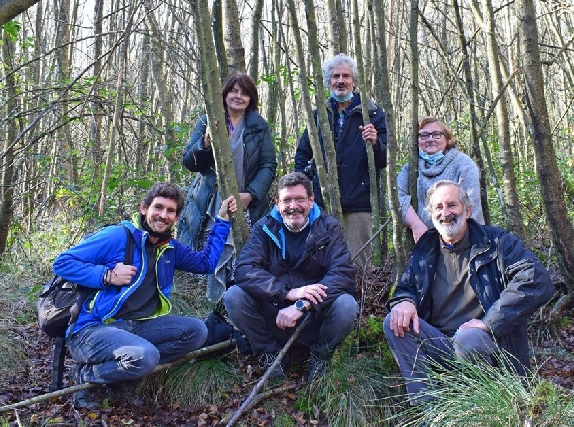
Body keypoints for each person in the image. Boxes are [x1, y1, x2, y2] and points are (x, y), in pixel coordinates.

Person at [52, 182, 237, 409]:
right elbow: (62, 263)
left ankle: (124, 373)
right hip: (91, 329)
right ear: (143, 208)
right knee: (146, 356)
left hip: (135, 327)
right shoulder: (118, 236)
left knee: (197, 332)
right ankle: (87, 374)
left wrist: (222, 220)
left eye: (170, 211)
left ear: (176, 217)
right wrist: (107, 275)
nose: (163, 215)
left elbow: (206, 263)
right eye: (158, 208)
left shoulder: (169, 248)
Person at [383, 180, 554, 404]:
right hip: (440, 344)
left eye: (452, 205)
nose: (445, 213)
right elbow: (408, 286)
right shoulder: (427, 245)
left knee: (469, 339)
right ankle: (428, 408)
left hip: (486, 346)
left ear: (468, 210)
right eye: (438, 207)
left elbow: (537, 280)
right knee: (394, 322)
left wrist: (488, 323)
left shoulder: (496, 242)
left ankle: (480, 406)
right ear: (431, 214)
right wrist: (404, 301)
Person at [223, 172, 359, 382]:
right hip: (275, 315)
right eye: (286, 200)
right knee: (234, 296)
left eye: (300, 199)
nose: (293, 206)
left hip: (314, 316)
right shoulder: (265, 227)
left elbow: (343, 274)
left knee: (346, 305)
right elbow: (244, 269)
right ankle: (270, 354)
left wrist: (301, 304)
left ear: (311, 200)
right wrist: (287, 293)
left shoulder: (328, 227)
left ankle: (320, 356)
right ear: (277, 203)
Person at [179, 70, 277, 301]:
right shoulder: (207, 120)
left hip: (245, 204)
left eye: (244, 93)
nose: (238, 97)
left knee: (240, 258)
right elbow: (189, 162)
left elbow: (268, 165)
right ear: (224, 93)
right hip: (209, 203)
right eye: (234, 91)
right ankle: (205, 307)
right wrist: (205, 142)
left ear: (251, 98)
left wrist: (251, 195)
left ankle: (232, 307)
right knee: (208, 254)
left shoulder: (258, 126)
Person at [294, 53, 387, 268]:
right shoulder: (318, 115)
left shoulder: (372, 114)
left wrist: (375, 143)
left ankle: (354, 302)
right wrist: (307, 190)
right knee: (319, 263)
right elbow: (302, 155)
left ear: (354, 81)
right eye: (336, 76)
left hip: (359, 204)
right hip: (321, 204)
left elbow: (384, 160)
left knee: (356, 265)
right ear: (328, 81)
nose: (341, 81)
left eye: (346, 76)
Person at [398, 116, 484, 243]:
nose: (430, 139)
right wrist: (415, 224)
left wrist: (453, 238)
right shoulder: (411, 168)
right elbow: (395, 196)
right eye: (424, 135)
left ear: (447, 138)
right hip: (424, 240)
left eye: (436, 134)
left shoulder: (463, 163)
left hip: (463, 239)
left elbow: (472, 206)